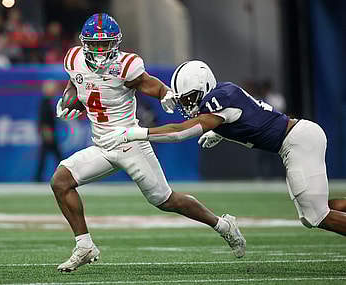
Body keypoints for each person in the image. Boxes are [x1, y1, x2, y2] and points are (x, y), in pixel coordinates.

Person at [51, 14, 246, 272]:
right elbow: (74, 82)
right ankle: (85, 245)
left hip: (130, 143)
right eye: (95, 45)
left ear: (116, 44)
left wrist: (165, 93)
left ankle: (223, 225)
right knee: (61, 182)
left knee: (166, 200)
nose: (100, 52)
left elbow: (148, 83)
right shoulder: (74, 59)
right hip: (102, 145)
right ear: (84, 44)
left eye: (105, 45)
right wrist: (67, 99)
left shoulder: (125, 65)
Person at [100, 60, 346, 237]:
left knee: (316, 216)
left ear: (205, 87)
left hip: (297, 141)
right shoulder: (223, 92)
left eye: (190, 98)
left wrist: (136, 133)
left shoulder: (219, 99)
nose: (188, 104)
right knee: (312, 212)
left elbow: (180, 132)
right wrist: (221, 134)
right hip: (297, 138)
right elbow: (249, 117)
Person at [34, 80, 62, 182]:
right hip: (48, 132)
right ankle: (64, 175)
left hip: (50, 132)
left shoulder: (48, 102)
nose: (54, 91)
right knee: (55, 155)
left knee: (46, 155)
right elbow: (43, 120)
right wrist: (47, 132)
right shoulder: (45, 103)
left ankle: (37, 177)